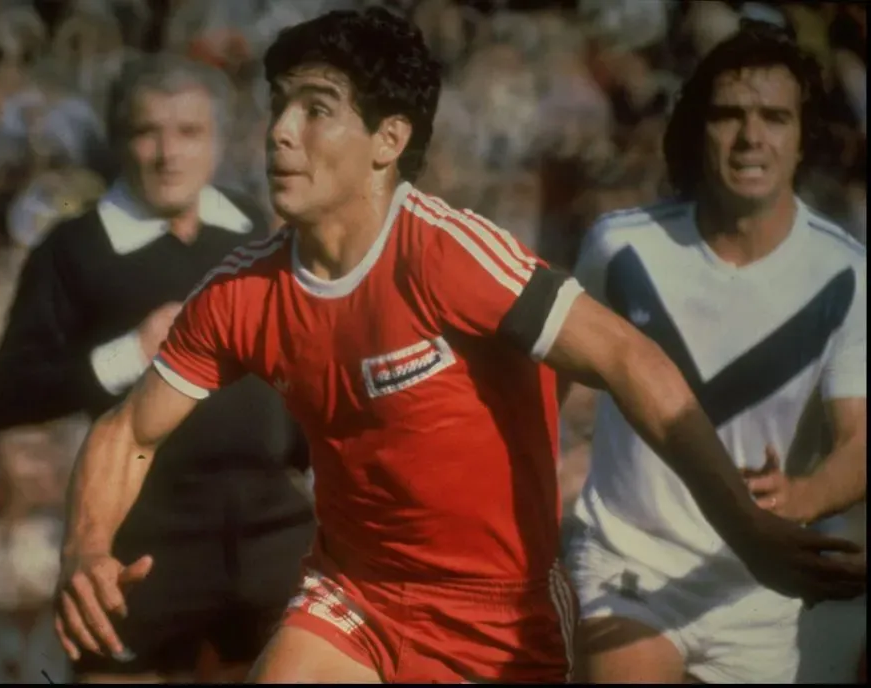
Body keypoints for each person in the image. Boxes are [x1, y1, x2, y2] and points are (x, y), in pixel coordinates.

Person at [54, 9, 866, 684]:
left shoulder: (449, 254)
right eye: (277, 105)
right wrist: (87, 546)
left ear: (387, 139)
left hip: (500, 614)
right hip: (357, 596)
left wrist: (748, 531)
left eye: (315, 108)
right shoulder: (242, 290)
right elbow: (128, 432)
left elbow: (628, 358)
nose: (279, 134)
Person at [0, 54, 315, 684]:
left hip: (271, 526)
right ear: (119, 141)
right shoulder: (73, 247)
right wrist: (129, 353)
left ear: (217, 142)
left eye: (189, 132)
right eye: (148, 132)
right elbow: (10, 396)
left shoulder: (252, 225)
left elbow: (287, 366)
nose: (168, 154)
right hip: (143, 534)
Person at [563, 22, 867, 684]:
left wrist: (804, 495)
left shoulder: (846, 273)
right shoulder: (619, 248)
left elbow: (860, 441)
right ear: (700, 131)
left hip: (753, 587)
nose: (751, 137)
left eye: (774, 118)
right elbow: (549, 382)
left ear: (800, 138)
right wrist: (552, 464)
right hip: (629, 554)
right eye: (729, 115)